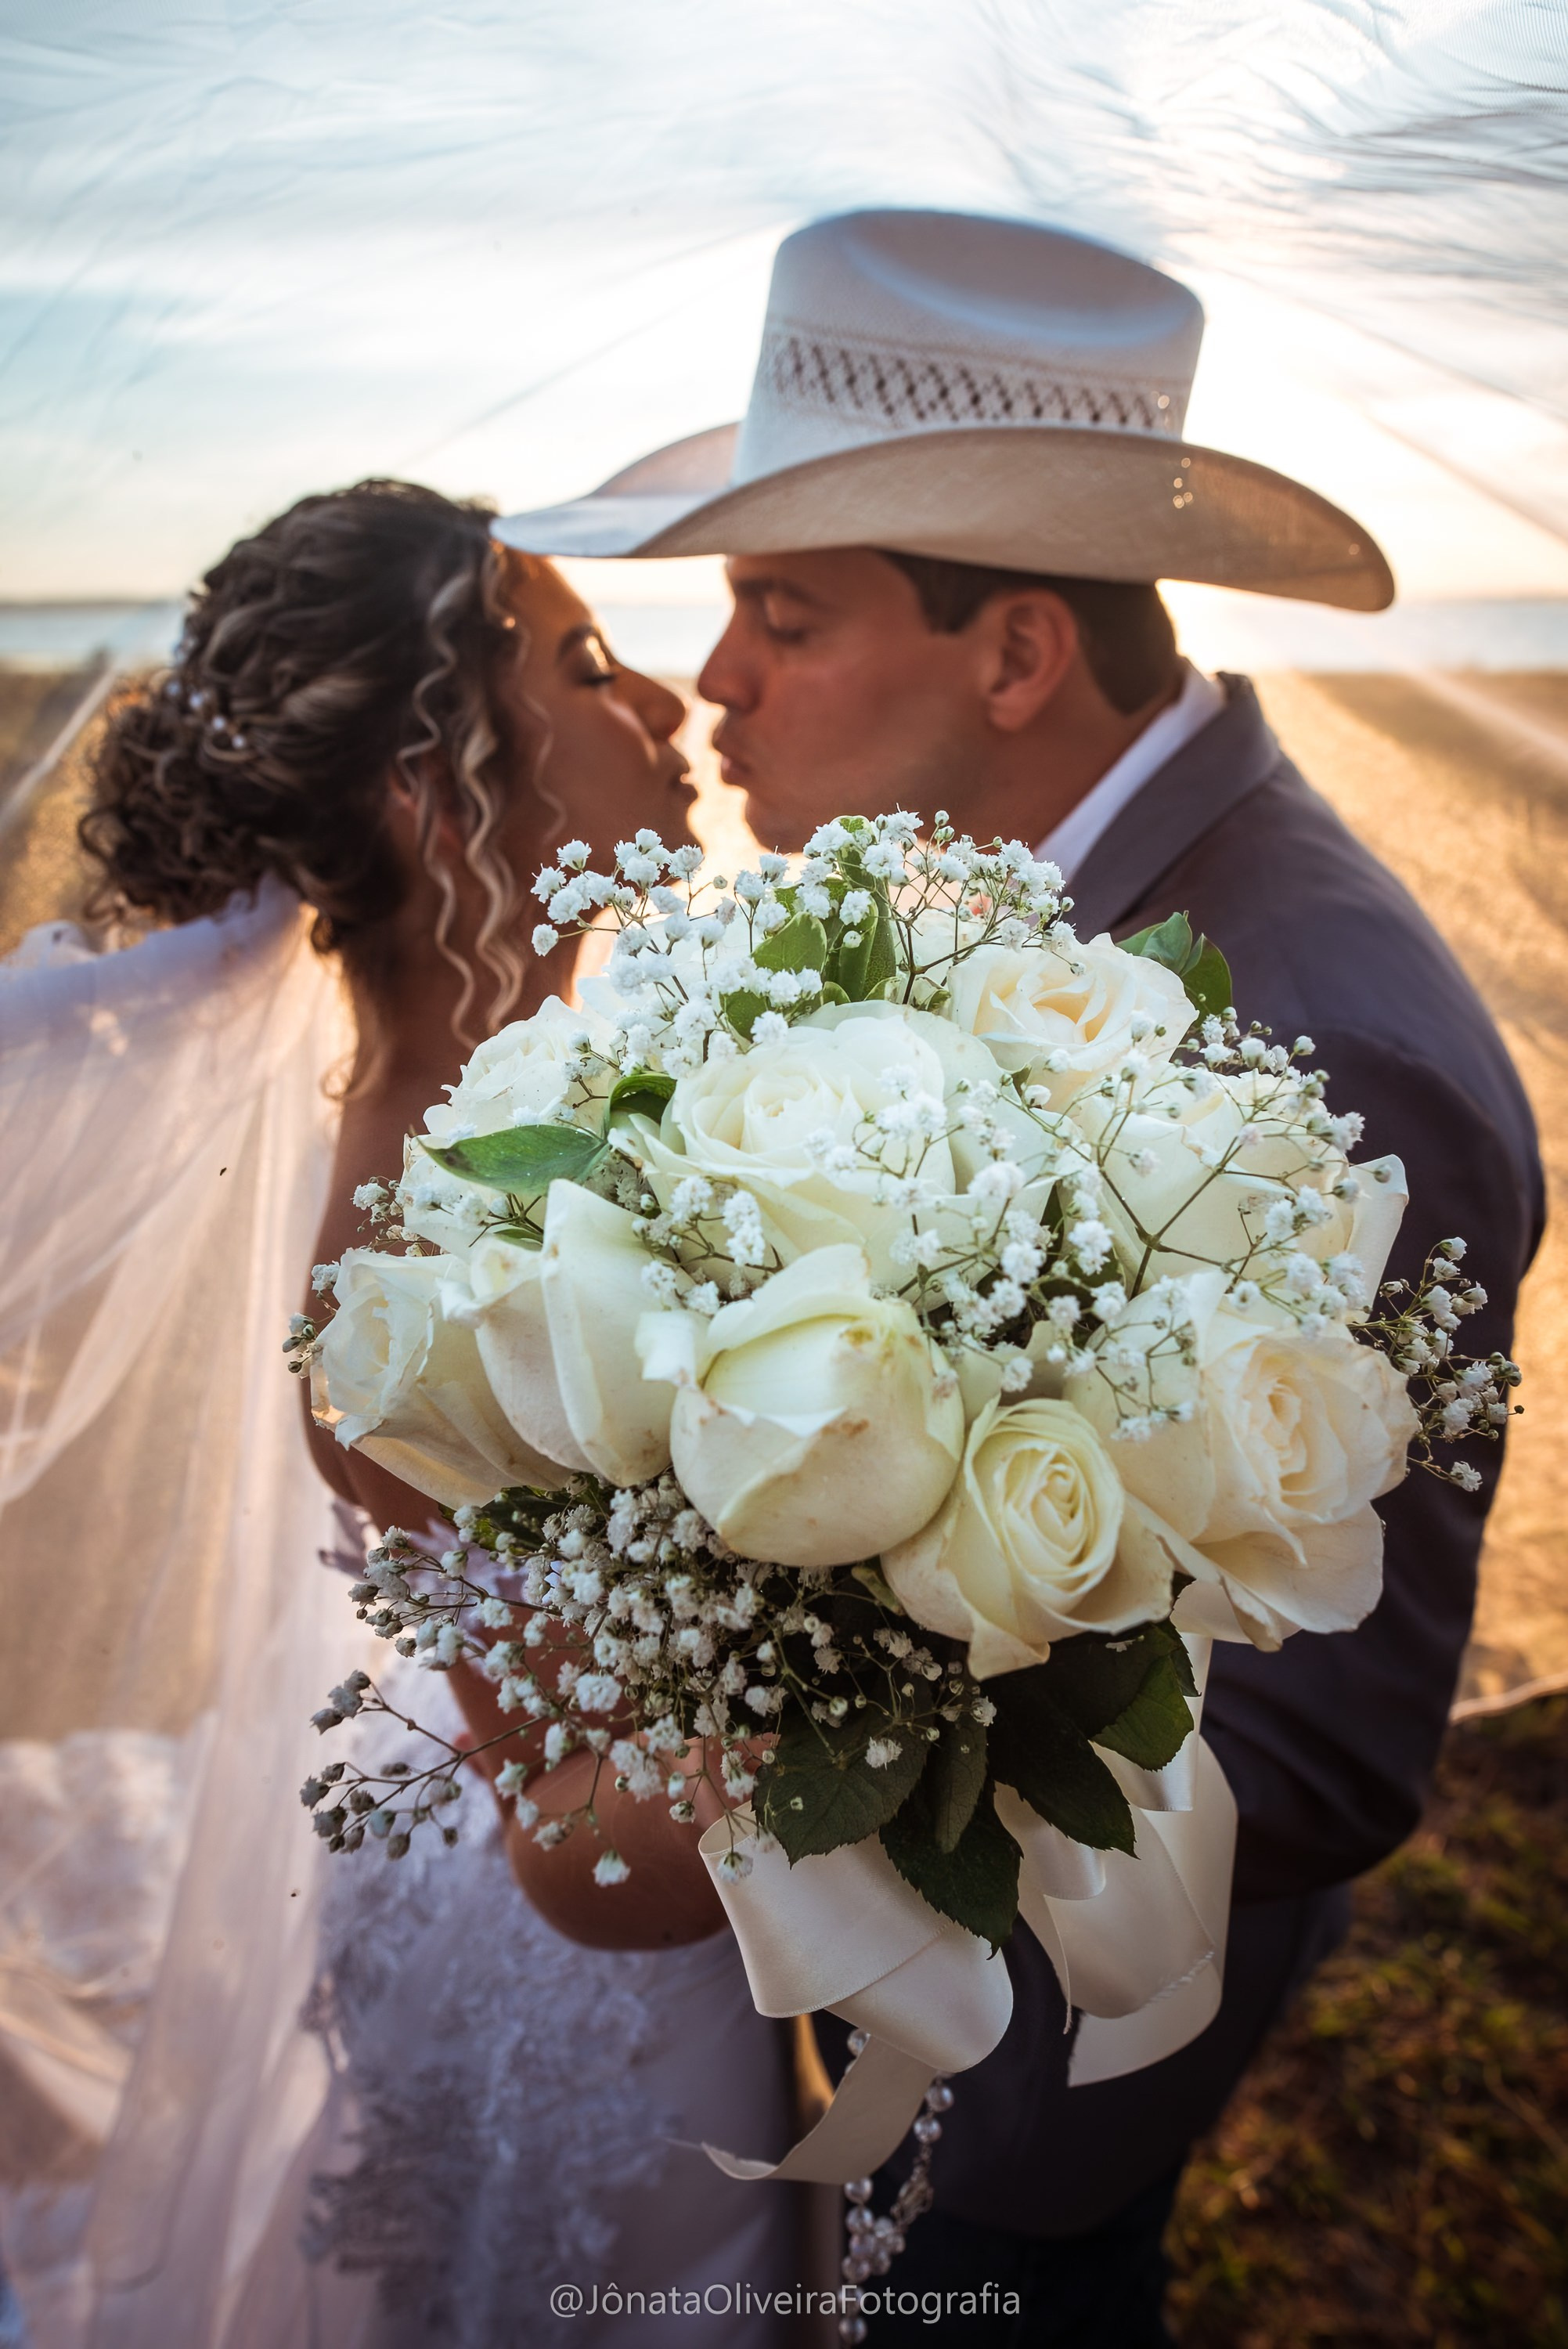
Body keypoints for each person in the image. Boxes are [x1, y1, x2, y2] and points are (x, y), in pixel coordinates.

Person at [499, 209, 1545, 2344]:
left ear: (1012, 659)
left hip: (1034, 2084)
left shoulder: (1313, 1027)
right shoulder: (1014, 904)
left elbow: (1323, 1750)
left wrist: (783, 1698)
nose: (713, 683)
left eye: (778, 613)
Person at [2, 480, 796, 2347]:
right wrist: (942, 1665)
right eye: (587, 668)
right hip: (589, 1987)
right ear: (432, 802)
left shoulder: (552, 1098)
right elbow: (581, 1833)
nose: (671, 706)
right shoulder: (428, 1261)